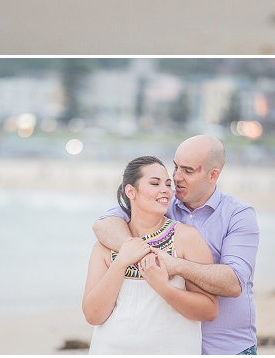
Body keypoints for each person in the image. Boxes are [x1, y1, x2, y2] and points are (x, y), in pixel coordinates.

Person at [93, 135, 259, 355]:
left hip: (226, 347)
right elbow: (103, 225)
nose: (177, 178)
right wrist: (138, 253)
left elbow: (234, 283)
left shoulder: (238, 215)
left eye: (188, 171)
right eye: (175, 167)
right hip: (175, 346)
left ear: (213, 175)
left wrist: (176, 265)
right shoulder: (161, 201)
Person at [82, 156, 218, 355]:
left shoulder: (186, 238)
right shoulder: (106, 245)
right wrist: (121, 262)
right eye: (155, 183)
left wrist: (163, 287)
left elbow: (209, 310)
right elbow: (93, 315)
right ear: (131, 191)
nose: (165, 190)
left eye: (168, 184)